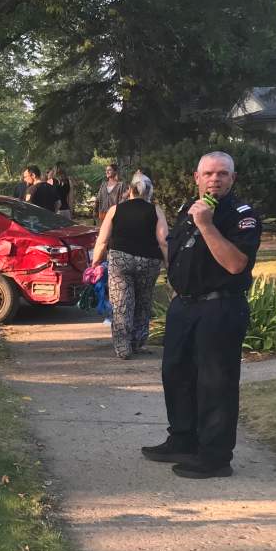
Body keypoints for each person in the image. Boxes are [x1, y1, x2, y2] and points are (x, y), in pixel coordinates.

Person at [142, 152, 262, 479]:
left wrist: (207, 224)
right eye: (208, 173)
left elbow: (236, 264)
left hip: (219, 307)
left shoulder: (241, 215)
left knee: (215, 383)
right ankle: (182, 439)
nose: (215, 179)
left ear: (232, 179)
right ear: (196, 178)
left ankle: (214, 456)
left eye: (222, 174)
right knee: (176, 375)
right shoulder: (186, 210)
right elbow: (175, 250)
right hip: (185, 306)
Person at [90, 173, 169, 358]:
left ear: (130, 190)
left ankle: (123, 347)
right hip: (149, 261)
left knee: (121, 303)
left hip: (120, 260)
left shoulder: (115, 210)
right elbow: (164, 241)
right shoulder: (156, 211)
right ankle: (138, 342)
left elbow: (102, 240)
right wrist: (169, 264)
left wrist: (95, 262)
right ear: (149, 191)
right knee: (143, 301)